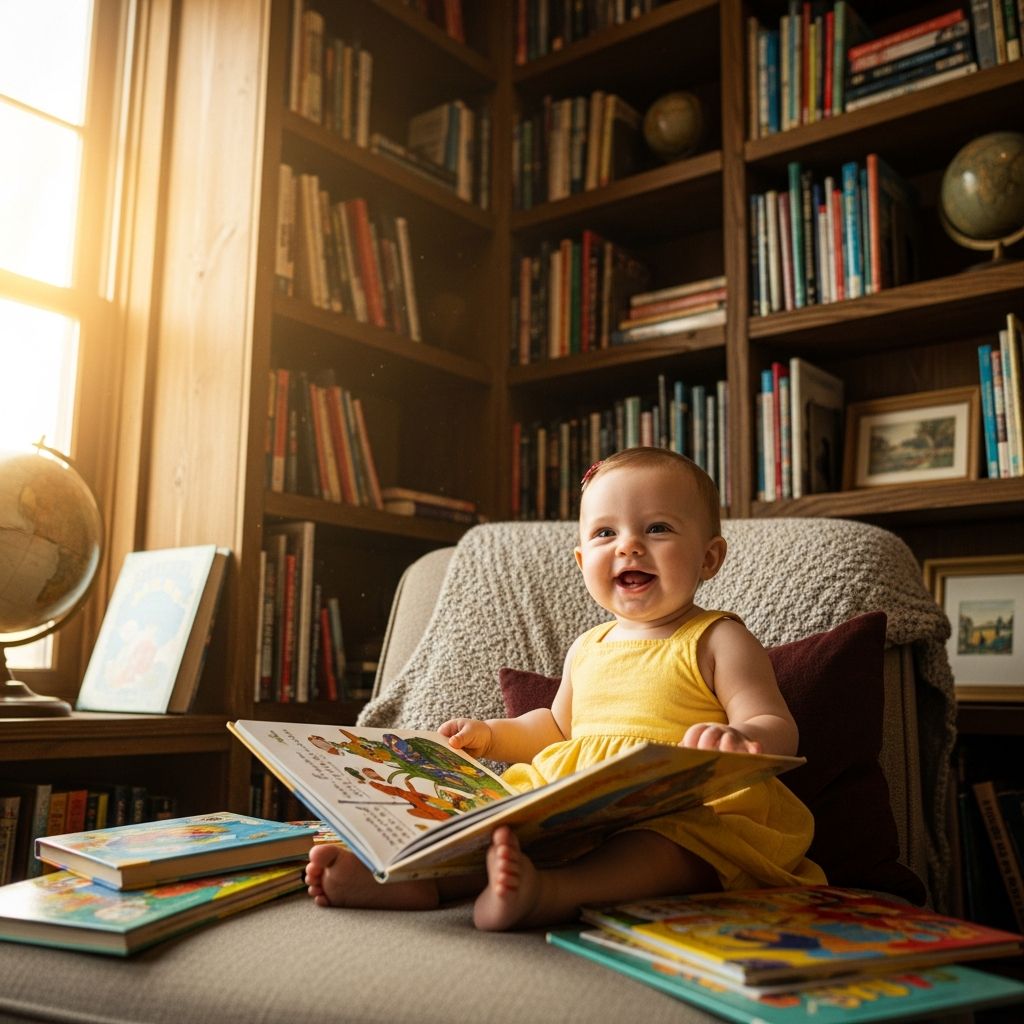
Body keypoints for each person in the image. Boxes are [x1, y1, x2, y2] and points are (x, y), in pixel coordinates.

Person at [305, 447, 826, 929]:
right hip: (578, 799)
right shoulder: (587, 647)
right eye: (605, 533)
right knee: (497, 822)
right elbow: (556, 729)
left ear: (709, 558)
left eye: (658, 528)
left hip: (675, 802)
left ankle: (552, 893)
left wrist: (740, 739)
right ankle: (421, 879)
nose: (628, 545)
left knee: (665, 847)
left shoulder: (717, 638)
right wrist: (492, 736)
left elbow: (776, 723)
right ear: (581, 563)